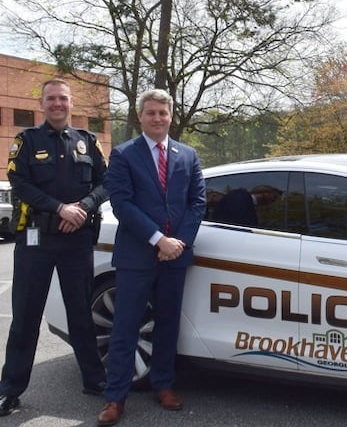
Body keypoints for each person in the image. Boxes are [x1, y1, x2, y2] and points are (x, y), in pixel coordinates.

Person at [97, 89, 206, 426]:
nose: (157, 118)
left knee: (167, 325)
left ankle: (163, 384)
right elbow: (122, 204)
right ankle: (115, 397)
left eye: (163, 112)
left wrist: (178, 243)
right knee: (125, 329)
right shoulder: (123, 154)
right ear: (140, 115)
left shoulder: (188, 155)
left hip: (174, 258)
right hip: (136, 257)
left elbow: (197, 202)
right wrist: (159, 239)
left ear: (171, 115)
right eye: (151, 112)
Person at [0, 78, 108, 416]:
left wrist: (85, 207)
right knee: (26, 316)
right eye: (51, 99)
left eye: (63, 98)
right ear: (42, 104)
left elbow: (107, 182)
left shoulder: (88, 142)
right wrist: (60, 208)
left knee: (81, 313)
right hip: (36, 238)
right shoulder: (26, 141)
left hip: (76, 239)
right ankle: (10, 389)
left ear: (71, 102)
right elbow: (20, 183)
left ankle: (94, 380)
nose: (58, 104)